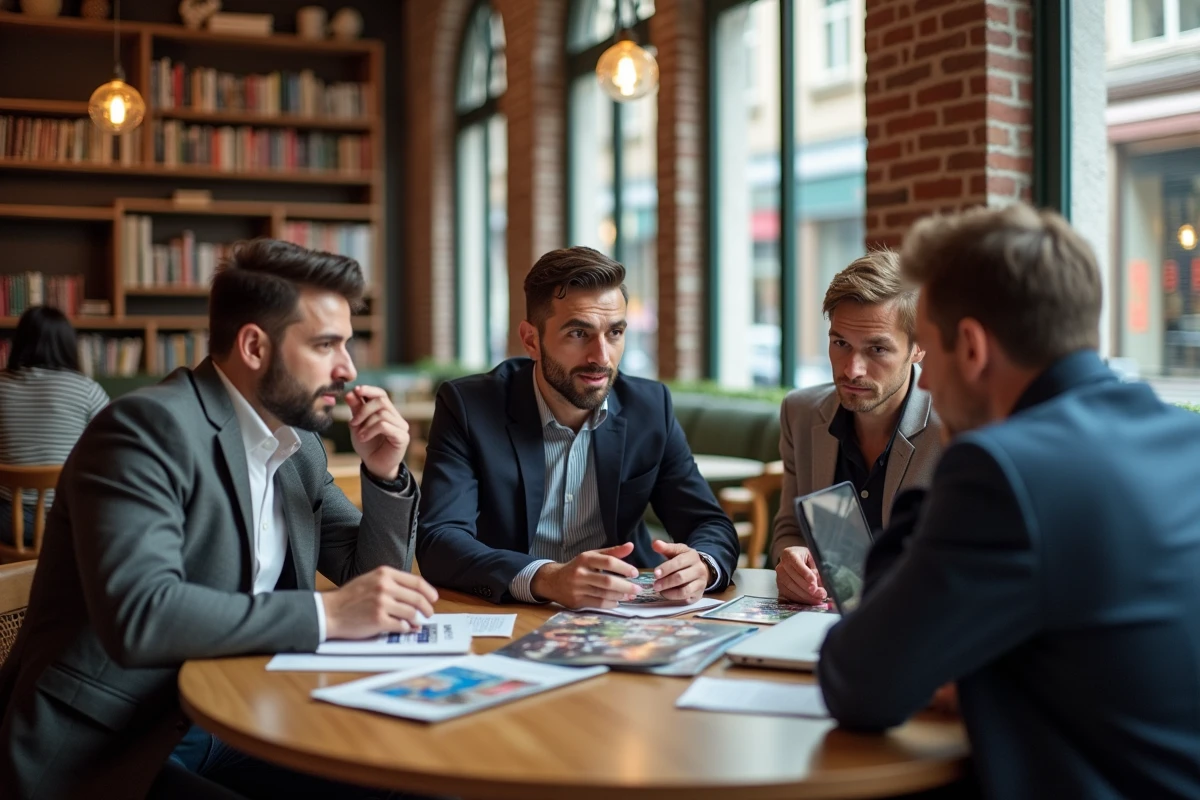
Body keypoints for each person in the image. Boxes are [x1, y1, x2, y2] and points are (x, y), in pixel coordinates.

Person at [0, 239, 438, 800]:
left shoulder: (297, 447)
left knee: (416, 787)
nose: (347, 370)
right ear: (254, 346)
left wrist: (383, 475)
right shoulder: (143, 430)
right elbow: (141, 615)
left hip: (246, 711)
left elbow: (369, 582)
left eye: (347, 345)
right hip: (121, 741)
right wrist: (326, 612)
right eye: (326, 345)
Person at [817, 204, 1200, 799]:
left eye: (932, 350)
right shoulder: (1184, 438)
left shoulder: (1001, 470)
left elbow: (858, 681)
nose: (932, 387)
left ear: (970, 347)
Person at [416, 246, 739, 608]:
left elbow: (710, 524)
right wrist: (545, 578)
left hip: (624, 614)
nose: (601, 357)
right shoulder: (469, 406)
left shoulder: (650, 408)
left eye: (615, 333)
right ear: (531, 340)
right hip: (514, 608)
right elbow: (439, 541)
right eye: (577, 334)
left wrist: (703, 566)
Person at [771, 250, 942, 605]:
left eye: (877, 349)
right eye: (840, 343)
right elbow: (790, 528)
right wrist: (791, 560)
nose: (851, 370)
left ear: (919, 347)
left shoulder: (955, 430)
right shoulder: (800, 413)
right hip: (823, 621)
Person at [0, 306, 109, 545]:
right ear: (67, 344)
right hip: (69, 519)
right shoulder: (86, 390)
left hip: (7, 522)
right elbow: (112, 449)